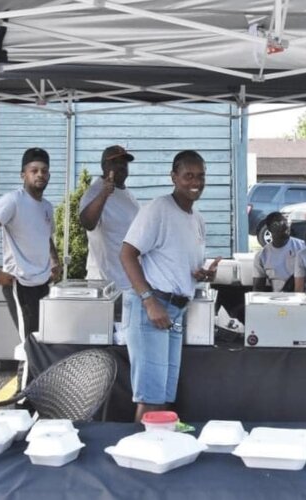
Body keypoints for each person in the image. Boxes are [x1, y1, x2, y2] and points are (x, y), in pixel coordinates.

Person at [120, 150, 219, 423]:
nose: (195, 181)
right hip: (153, 308)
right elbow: (127, 254)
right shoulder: (157, 210)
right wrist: (149, 301)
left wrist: (202, 274)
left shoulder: (196, 218)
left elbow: (177, 265)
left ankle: (156, 450)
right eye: (188, 175)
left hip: (176, 312)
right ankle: (138, 456)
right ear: (173, 177)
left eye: (200, 176)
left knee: (163, 394)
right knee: (150, 397)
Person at [0, 147, 61, 340]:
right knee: (30, 341)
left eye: (44, 171)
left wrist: (55, 262)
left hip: (42, 281)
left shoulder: (46, 206)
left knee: (42, 338)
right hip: (19, 282)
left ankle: (31, 371)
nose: (40, 175)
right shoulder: (13, 201)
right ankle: (25, 372)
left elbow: (46, 237)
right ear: (23, 175)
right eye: (34, 170)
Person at [78, 145, 140, 290]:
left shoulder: (128, 195)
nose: (121, 166)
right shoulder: (95, 192)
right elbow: (87, 223)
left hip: (128, 281)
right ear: (104, 165)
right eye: (115, 162)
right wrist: (104, 194)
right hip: (104, 283)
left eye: (124, 162)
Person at [252, 212, 305, 292]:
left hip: (301, 297)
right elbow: (258, 288)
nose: (285, 226)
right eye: (279, 223)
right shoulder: (262, 256)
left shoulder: (302, 247)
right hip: (277, 298)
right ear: (269, 229)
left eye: (286, 222)